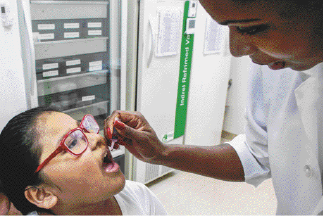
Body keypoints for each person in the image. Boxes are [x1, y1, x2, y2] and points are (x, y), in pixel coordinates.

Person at [104, 0, 323, 215]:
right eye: (228, 27)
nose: (236, 50)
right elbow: (257, 154)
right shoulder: (273, 63)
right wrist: (160, 153)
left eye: (251, 28)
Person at [0, 106, 167, 215]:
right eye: (72, 142)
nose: (96, 137)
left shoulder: (138, 196)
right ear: (42, 194)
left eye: (84, 128)